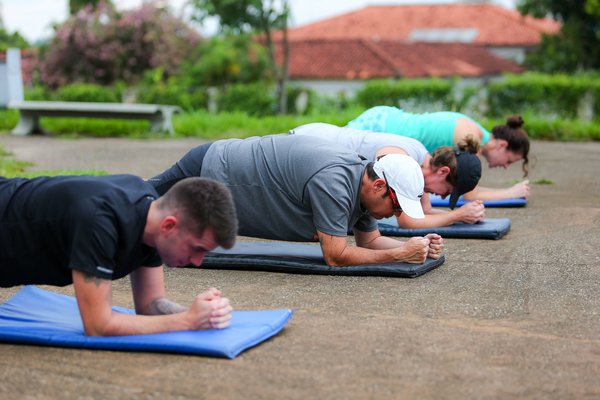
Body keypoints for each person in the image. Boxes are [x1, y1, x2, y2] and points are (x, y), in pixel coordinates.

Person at [149, 134, 444, 267]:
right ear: (379, 185)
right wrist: (398, 255)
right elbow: (336, 255)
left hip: (223, 172)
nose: (395, 213)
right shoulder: (335, 182)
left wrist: (417, 245)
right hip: (213, 168)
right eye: (396, 205)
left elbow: (369, 242)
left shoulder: (363, 186)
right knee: (145, 200)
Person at [0, 175, 238, 337]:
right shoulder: (99, 222)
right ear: (169, 226)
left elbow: (150, 305)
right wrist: (187, 322)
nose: (198, 262)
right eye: (197, 248)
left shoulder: (152, 216)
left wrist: (199, 313)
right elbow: (98, 325)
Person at [291, 122, 484, 229]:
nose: (441, 196)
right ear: (443, 172)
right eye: (447, 191)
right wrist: (457, 215)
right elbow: (407, 221)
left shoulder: (420, 164)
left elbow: (424, 213)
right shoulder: (401, 156)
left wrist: (463, 217)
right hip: (303, 146)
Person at [347, 106, 531, 201]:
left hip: (386, 117)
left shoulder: (475, 132)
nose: (506, 166)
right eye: (509, 160)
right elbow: (470, 195)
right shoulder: (470, 141)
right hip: (380, 127)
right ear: (502, 145)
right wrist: (510, 193)